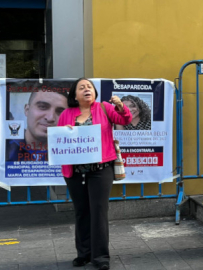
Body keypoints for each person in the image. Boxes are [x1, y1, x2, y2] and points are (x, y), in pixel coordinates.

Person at [57, 78, 132, 270]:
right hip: (74, 172)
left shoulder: (105, 108)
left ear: (95, 92)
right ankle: (84, 254)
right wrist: (65, 133)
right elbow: (58, 140)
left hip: (100, 170)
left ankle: (100, 257)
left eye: (89, 87)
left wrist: (121, 106)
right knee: (82, 212)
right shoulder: (66, 114)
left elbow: (125, 120)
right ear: (74, 95)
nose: (86, 90)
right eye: (81, 88)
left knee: (98, 212)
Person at [6, 90, 68, 161]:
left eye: (60, 112)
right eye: (43, 107)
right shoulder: (4, 146)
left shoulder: (69, 153)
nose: (50, 118)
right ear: (27, 110)